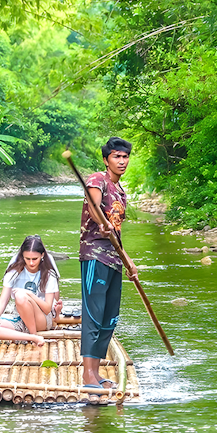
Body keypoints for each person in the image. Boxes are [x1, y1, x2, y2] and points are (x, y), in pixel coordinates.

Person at [79, 137, 138, 389]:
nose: (122, 161)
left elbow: (116, 231)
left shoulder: (121, 191)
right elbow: (94, 209)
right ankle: (87, 376)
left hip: (114, 258)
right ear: (106, 160)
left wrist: (128, 261)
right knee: (93, 314)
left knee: (109, 316)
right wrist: (100, 221)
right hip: (95, 255)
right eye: (116, 156)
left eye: (125, 157)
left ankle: (96, 373)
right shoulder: (97, 180)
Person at [0, 235, 63, 346]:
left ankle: (33, 333)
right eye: (27, 259)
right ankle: (31, 337)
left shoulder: (49, 274)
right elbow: (3, 300)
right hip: (20, 316)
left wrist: (29, 294)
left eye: (35, 259)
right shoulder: (14, 271)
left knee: (20, 296)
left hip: (41, 317)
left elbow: (47, 309)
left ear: (42, 255)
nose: (31, 263)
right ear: (22, 256)